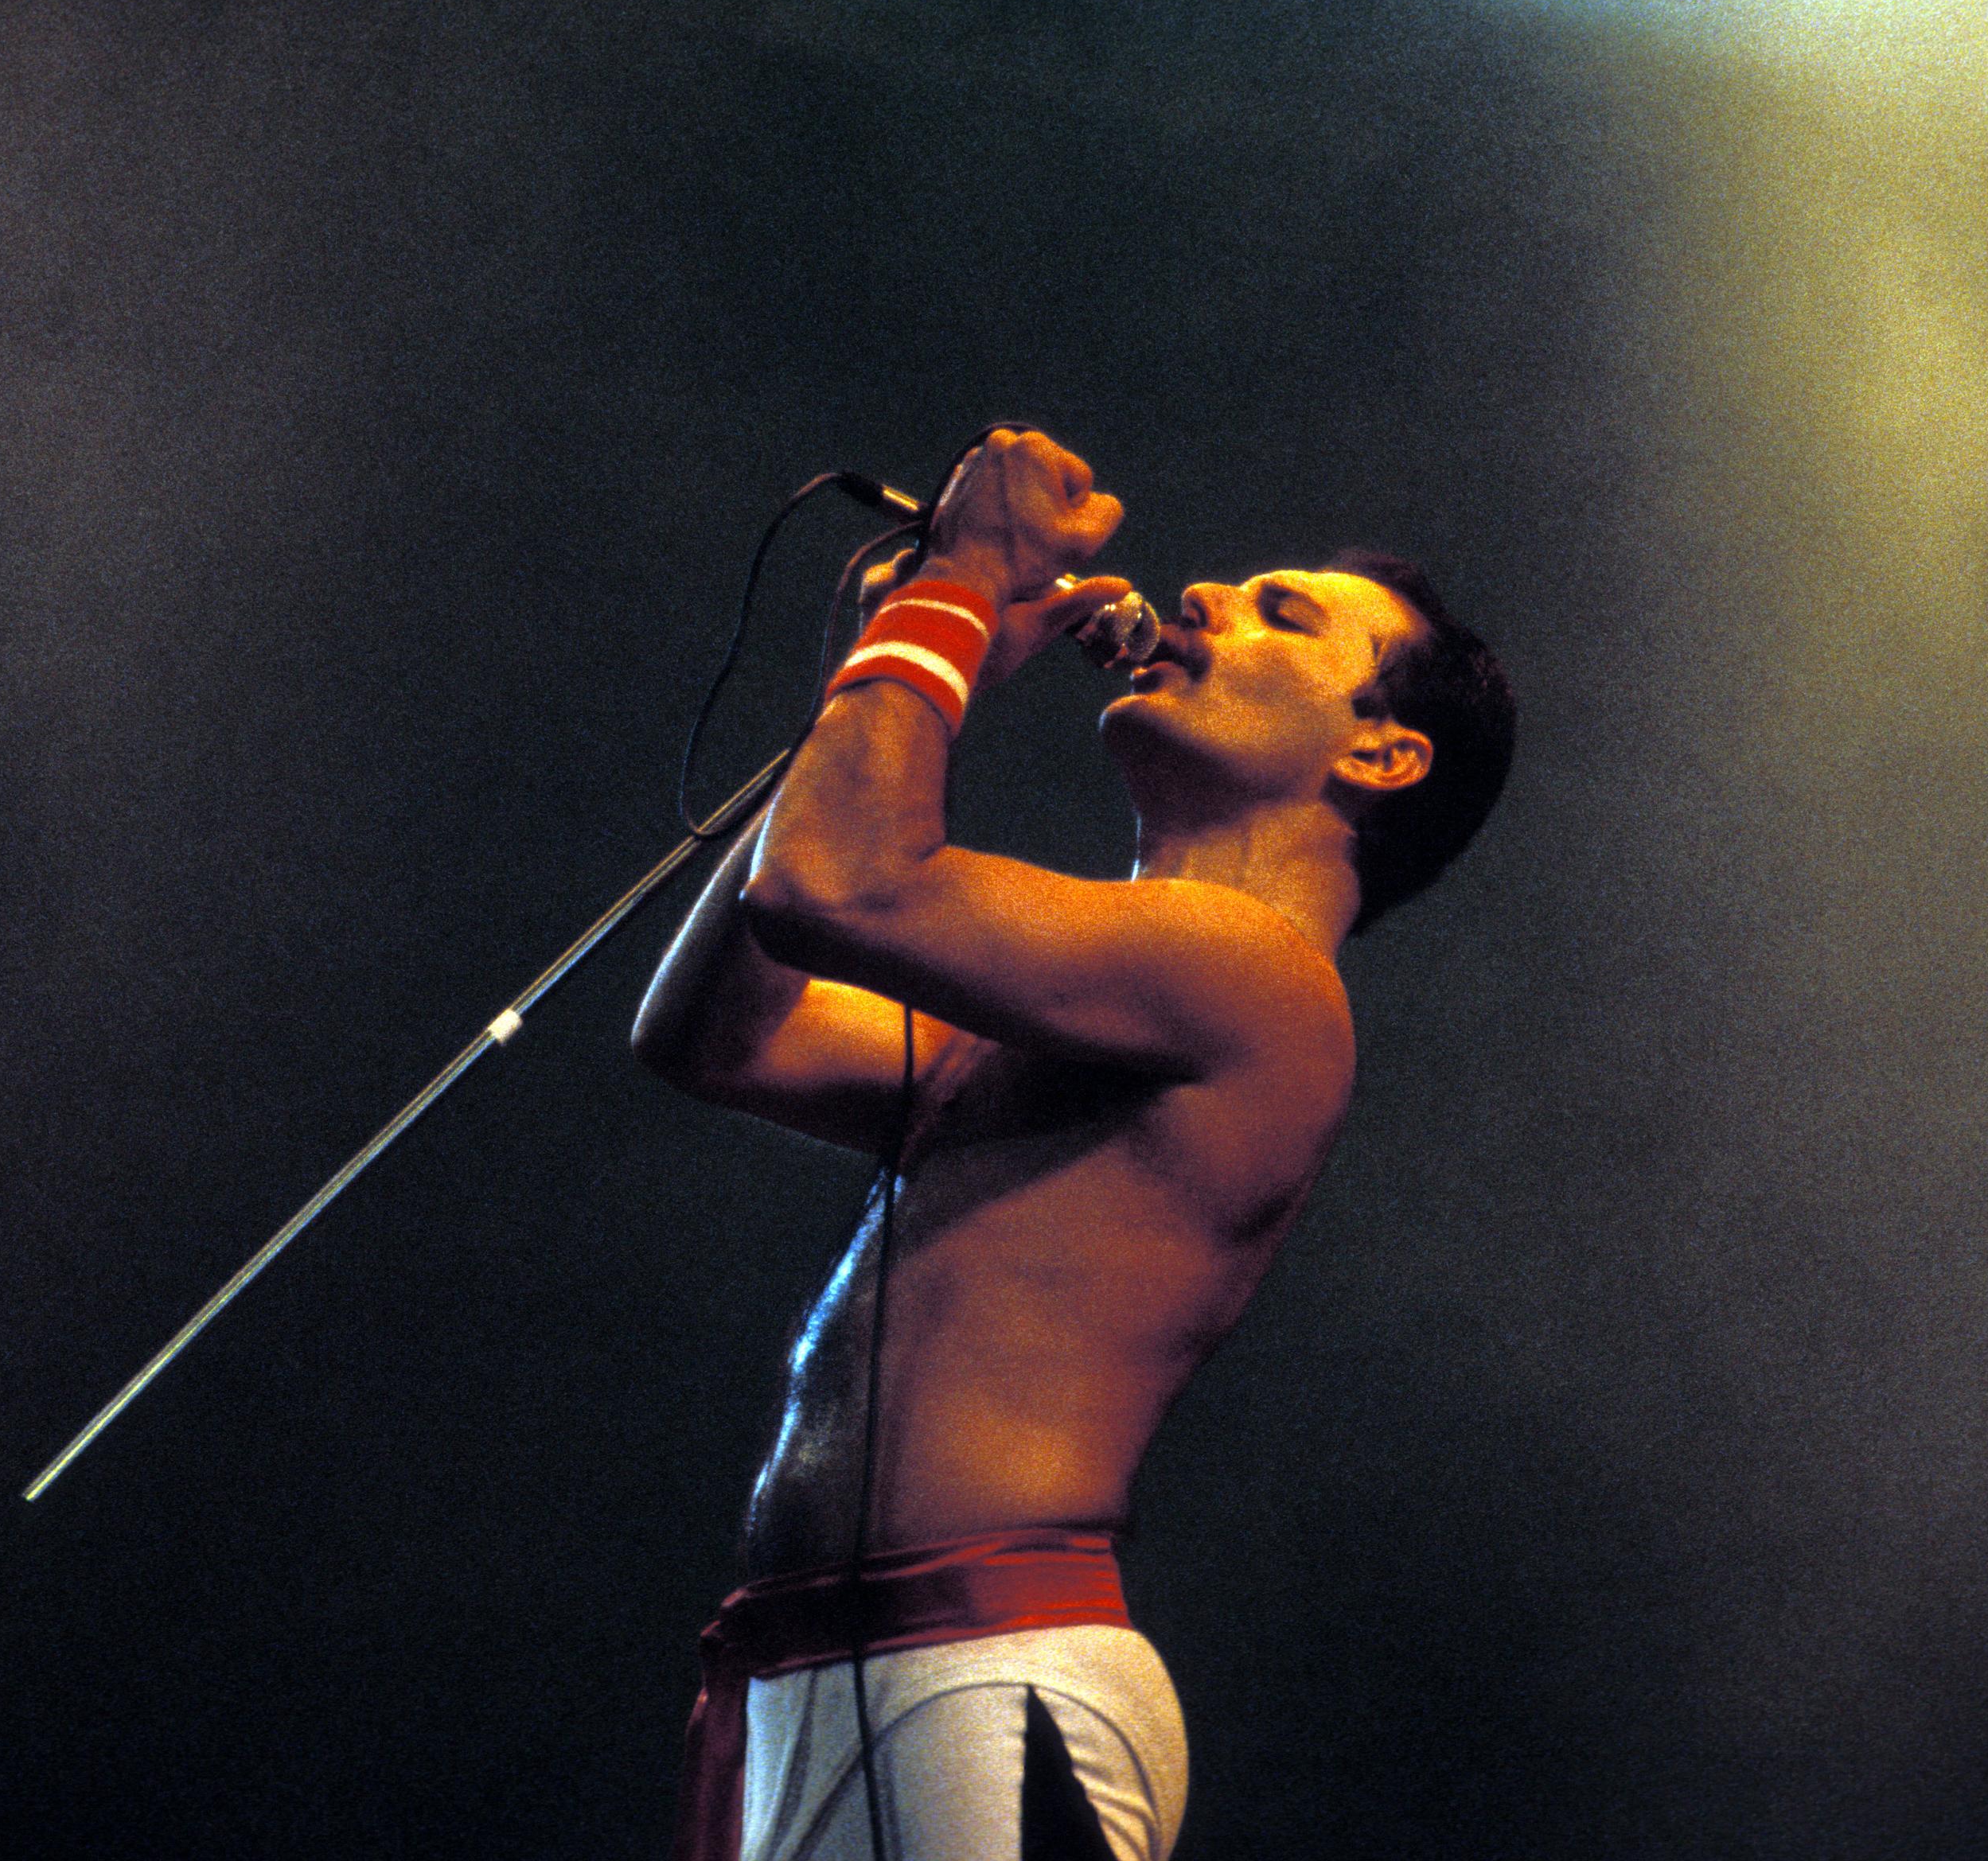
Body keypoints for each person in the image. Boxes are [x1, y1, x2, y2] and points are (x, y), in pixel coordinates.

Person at [633, 427, 1516, 1861]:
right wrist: (901, 669)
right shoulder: (1090, 1004)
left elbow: (836, 885)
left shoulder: (1257, 975)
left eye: (1281, 613)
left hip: (977, 1676)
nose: (1207, 599)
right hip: (828, 1677)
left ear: (1380, 749)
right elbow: (717, 1037)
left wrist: (961, 586)